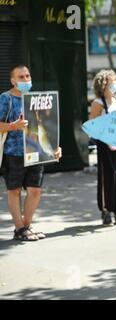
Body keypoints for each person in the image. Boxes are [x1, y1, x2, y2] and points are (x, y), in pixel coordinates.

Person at [0, 64, 62, 241]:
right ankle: (19, 229)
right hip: (13, 153)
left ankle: (26, 226)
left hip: (36, 151)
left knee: (35, 191)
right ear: (12, 80)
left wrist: (55, 147)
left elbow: (48, 126)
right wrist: (13, 126)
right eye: (21, 77)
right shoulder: (6, 98)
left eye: (27, 76)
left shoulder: (38, 98)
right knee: (15, 190)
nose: (26, 80)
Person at [89, 69, 116, 226]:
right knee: (107, 175)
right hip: (106, 143)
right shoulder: (98, 103)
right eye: (111, 82)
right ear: (103, 85)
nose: (115, 84)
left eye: (115, 81)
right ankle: (106, 210)